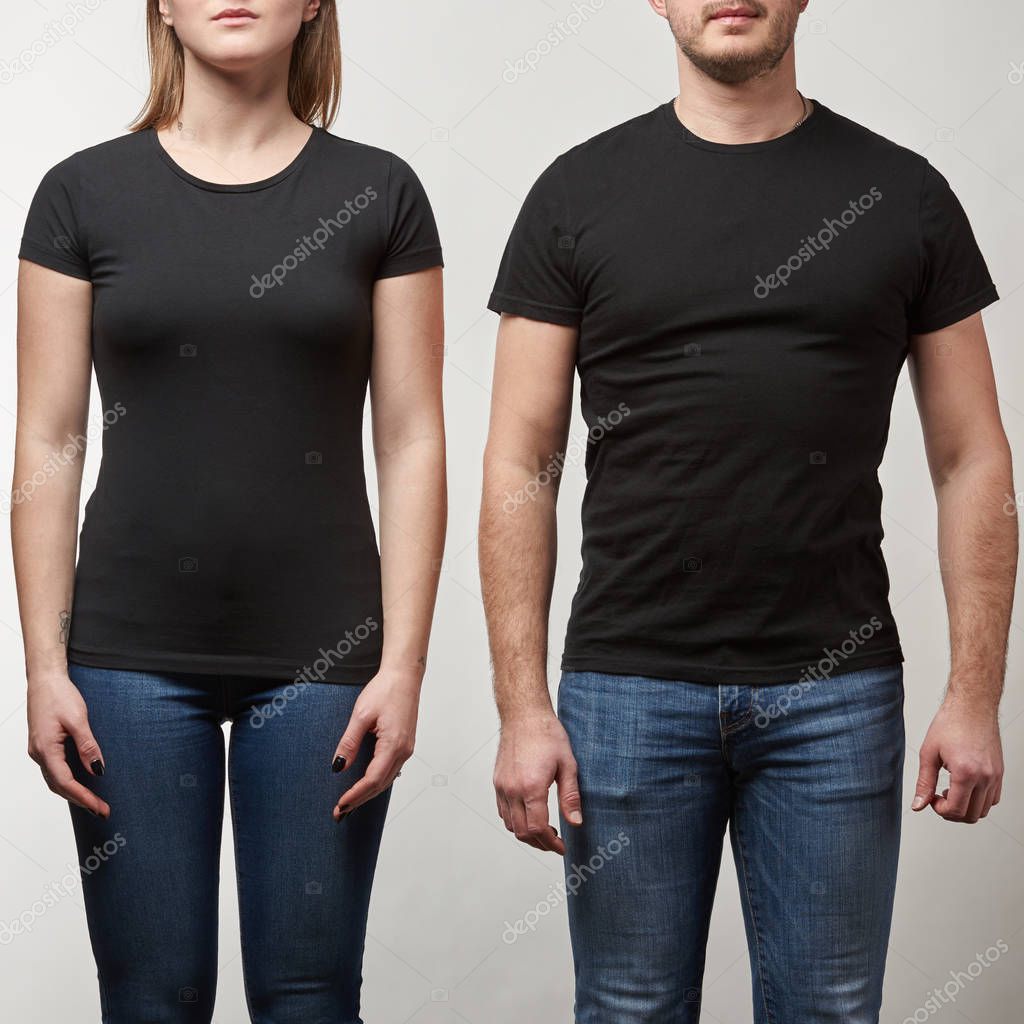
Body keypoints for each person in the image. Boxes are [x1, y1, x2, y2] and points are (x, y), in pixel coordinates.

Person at [479, 1, 1016, 1021]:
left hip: (837, 699)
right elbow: (521, 461)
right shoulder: (575, 193)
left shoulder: (901, 195)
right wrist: (520, 707)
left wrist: (974, 694)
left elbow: (970, 459)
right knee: (630, 1007)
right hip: (625, 694)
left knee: (828, 1009)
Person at [13, 1, 446, 1020]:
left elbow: (413, 438)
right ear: (159, 3)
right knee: (151, 997)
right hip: (124, 657)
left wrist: (404, 664)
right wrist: (42, 666)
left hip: (325, 657)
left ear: (312, 6)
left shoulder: (378, 193)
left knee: (308, 995)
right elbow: (47, 440)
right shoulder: (82, 194)